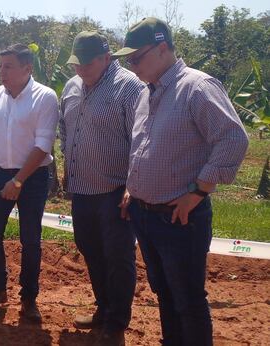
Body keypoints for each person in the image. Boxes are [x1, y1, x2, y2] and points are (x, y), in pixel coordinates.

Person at [113, 17, 249, 345]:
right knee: (164, 293)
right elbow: (144, 146)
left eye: (136, 57)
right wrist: (133, 188)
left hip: (179, 218)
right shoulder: (146, 94)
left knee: (188, 299)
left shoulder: (197, 87)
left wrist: (200, 190)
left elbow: (233, 139)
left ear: (163, 49)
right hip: (145, 215)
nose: (132, 66)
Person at [59, 31, 144, 345]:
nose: (80, 70)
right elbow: (65, 129)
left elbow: (142, 140)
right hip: (81, 189)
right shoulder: (71, 87)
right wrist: (67, 166)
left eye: (86, 63)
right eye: (76, 64)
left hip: (115, 188)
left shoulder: (129, 88)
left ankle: (116, 323)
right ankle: (103, 307)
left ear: (107, 58)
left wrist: (133, 185)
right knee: (90, 248)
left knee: (118, 256)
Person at [0, 43, 59, 323]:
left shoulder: (44, 98)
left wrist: (19, 180)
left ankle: (29, 298)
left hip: (33, 177)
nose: (2, 72)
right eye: (0, 66)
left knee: (30, 239)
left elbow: (43, 145)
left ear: (27, 68)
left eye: (8, 66)